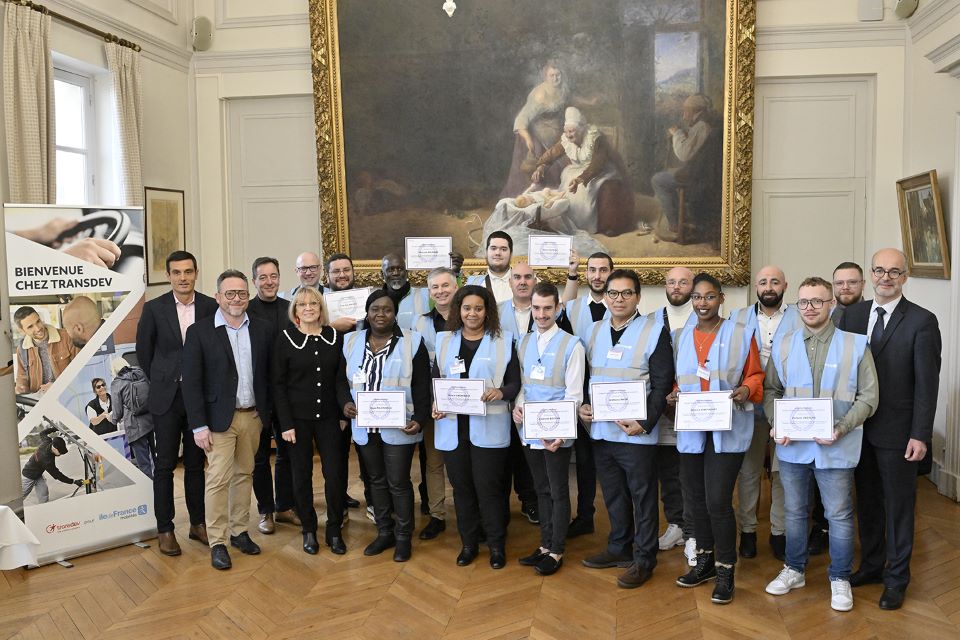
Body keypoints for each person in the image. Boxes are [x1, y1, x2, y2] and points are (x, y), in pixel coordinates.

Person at [763, 277, 879, 612]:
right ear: (796, 306)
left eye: (817, 301)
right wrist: (776, 424)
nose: (810, 308)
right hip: (793, 446)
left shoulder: (855, 345)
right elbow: (771, 392)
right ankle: (794, 569)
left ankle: (840, 577)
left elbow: (869, 397)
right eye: (804, 302)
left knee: (839, 515)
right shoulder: (784, 345)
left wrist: (841, 428)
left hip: (836, 444)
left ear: (831, 304)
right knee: (795, 512)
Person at [838, 248, 941, 611]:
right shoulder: (851, 314)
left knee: (899, 507)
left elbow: (928, 386)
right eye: (880, 270)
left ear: (905, 277)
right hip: (857, 428)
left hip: (899, 433)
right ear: (871, 274)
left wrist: (920, 434)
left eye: (894, 272)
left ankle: (897, 578)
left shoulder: (922, 321)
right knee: (866, 502)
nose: (886, 277)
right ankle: (871, 566)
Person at [667, 273, 764, 605]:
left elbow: (755, 374)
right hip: (693, 429)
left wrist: (745, 390)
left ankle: (726, 569)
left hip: (729, 427)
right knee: (694, 501)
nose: (702, 303)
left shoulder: (740, 333)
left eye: (709, 297)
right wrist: (675, 394)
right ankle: (705, 563)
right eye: (697, 297)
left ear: (721, 299)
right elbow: (683, 379)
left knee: (718, 502)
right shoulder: (681, 336)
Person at [579, 269, 674, 589]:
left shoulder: (654, 330)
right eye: (613, 293)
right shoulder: (592, 332)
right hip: (602, 432)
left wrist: (646, 423)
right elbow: (585, 378)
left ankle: (644, 558)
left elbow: (661, 385)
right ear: (605, 296)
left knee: (642, 496)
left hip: (637, 434)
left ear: (638, 297)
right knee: (615, 495)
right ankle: (619, 547)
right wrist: (583, 406)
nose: (619, 299)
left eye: (626, 293)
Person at [181, 269, 273, 571]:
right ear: (218, 297)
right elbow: (191, 382)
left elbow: (269, 375)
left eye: (242, 293)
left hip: (252, 417)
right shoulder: (200, 332)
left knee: (245, 475)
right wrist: (198, 425)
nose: (237, 298)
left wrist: (266, 408)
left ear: (248, 296)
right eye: (230, 293)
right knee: (218, 481)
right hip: (217, 421)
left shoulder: (261, 328)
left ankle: (239, 532)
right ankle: (218, 541)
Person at [431, 285, 521, 569]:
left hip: (489, 426)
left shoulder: (504, 341)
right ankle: (468, 544)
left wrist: (501, 393)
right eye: (467, 308)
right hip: (453, 428)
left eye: (478, 308)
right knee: (462, 490)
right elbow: (437, 380)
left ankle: (496, 546)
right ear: (459, 310)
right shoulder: (444, 340)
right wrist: (435, 403)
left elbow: (515, 383)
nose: (472, 313)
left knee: (489, 489)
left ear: (488, 311)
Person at [136, 250, 218, 556]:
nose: (183, 278)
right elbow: (145, 354)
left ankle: (198, 524)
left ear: (196, 273)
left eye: (188, 272)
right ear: (169, 275)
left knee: (197, 465)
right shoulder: (154, 309)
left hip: (199, 400)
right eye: (176, 272)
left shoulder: (211, 306)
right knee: (166, 465)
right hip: (166, 399)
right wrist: (164, 378)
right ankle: (165, 528)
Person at [341, 290, 432, 562]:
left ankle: (404, 537)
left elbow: (422, 385)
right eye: (375, 309)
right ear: (367, 313)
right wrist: (345, 403)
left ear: (395, 314)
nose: (381, 314)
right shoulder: (350, 341)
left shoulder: (413, 342)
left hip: (399, 427)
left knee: (398, 483)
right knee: (376, 481)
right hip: (364, 427)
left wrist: (420, 419)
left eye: (387, 310)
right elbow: (338, 380)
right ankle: (384, 532)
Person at [728, 265, 800, 561]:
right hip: (750, 404)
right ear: (755, 287)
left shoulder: (801, 315)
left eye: (774, 282)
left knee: (783, 472)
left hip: (788, 404)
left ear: (785, 285)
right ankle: (747, 530)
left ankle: (779, 532)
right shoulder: (738, 317)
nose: (768, 287)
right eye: (762, 282)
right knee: (749, 471)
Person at [513, 283, 585, 576]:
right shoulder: (524, 342)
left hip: (557, 432)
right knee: (540, 489)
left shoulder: (572, 344)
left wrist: (562, 434)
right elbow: (523, 384)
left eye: (547, 308)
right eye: (537, 308)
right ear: (531, 308)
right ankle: (544, 544)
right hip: (529, 429)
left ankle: (556, 550)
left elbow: (574, 394)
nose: (541, 314)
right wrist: (516, 406)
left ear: (558, 309)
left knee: (557, 490)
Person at [273, 286, 351, 555]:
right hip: (297, 421)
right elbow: (279, 385)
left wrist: (343, 414)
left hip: (330, 418)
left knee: (335, 473)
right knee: (301, 475)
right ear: (295, 310)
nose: (308, 308)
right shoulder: (286, 339)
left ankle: (334, 528)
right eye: (302, 304)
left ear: (321, 308)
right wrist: (285, 424)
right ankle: (308, 528)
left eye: (313, 304)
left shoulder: (334, 337)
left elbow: (340, 379)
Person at [560, 250, 614, 538]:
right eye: (592, 270)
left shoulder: (622, 305)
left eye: (603, 270)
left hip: (611, 394)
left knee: (609, 460)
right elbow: (559, 313)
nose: (597, 276)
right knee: (583, 461)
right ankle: (584, 515)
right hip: (580, 392)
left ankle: (618, 521)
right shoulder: (574, 307)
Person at [246, 257, 300, 535]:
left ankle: (285, 506)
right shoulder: (247, 310)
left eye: (273, 276)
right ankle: (265, 510)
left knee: (287, 453)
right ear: (254, 280)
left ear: (280, 278)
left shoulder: (290, 309)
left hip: (287, 395)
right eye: (263, 277)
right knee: (258, 458)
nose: (269, 281)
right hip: (257, 396)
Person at [649, 266, 698, 566]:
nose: (677, 287)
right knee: (667, 471)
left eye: (683, 282)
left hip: (694, 409)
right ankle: (676, 525)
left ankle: (693, 532)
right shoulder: (651, 320)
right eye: (671, 282)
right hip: (662, 407)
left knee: (691, 473)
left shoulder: (706, 317)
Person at [531, 107, 637, 236]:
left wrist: (581, 179)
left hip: (600, 171)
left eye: (572, 131)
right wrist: (541, 165)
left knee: (589, 188)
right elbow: (552, 153)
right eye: (567, 132)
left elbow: (597, 163)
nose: (569, 135)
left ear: (581, 130)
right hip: (576, 171)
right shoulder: (566, 139)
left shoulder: (595, 137)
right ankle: (574, 224)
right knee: (569, 187)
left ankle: (598, 225)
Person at [414, 267, 459, 540]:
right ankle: (437, 515)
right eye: (435, 287)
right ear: (429, 292)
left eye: (445, 286)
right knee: (433, 462)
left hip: (462, 402)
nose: (441, 291)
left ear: (455, 287)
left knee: (461, 461)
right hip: (432, 403)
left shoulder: (469, 317)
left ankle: (469, 510)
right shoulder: (420, 323)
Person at [499, 261, 541, 525]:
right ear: (510, 282)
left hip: (536, 392)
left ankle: (530, 501)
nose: (523, 281)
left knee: (530, 452)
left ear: (535, 280)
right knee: (504, 451)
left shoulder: (547, 310)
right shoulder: (497, 311)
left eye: (528, 277)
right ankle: (500, 505)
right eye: (517, 277)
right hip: (503, 390)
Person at [500, 61, 571, 199]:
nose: (556, 78)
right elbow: (521, 119)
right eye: (552, 75)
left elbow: (568, 99)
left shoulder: (562, 88)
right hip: (539, 137)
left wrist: (589, 102)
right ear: (545, 77)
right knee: (540, 174)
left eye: (558, 75)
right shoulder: (540, 95)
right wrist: (527, 138)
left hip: (556, 135)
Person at [652, 94, 715, 237]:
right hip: (699, 172)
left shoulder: (702, 126)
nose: (684, 116)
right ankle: (680, 218)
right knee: (668, 175)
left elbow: (684, 154)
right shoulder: (703, 124)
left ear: (695, 111)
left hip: (699, 177)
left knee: (658, 180)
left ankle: (675, 224)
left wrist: (677, 133)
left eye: (686, 112)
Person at [13, 306, 79, 394]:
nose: (38, 328)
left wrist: (57, 386)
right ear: (22, 331)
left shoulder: (67, 337)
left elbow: (81, 370)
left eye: (38, 321)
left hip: (67, 396)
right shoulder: (22, 349)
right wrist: (21, 390)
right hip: (38, 402)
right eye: (30, 327)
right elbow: (22, 378)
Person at [109, 356, 155, 479]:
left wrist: (112, 419)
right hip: (151, 421)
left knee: (144, 464)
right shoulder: (140, 372)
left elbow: (117, 412)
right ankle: (163, 490)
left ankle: (151, 492)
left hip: (134, 426)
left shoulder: (117, 383)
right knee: (157, 459)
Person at [21, 430, 85, 502]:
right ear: (54, 448)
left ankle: (44, 508)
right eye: (60, 452)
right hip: (28, 476)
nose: (60, 454)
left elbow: (42, 433)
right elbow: (58, 475)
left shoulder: (47, 441)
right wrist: (74, 481)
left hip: (38, 475)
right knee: (21, 496)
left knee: (44, 493)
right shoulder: (47, 460)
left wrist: (53, 428)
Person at [381, 253, 432, 331]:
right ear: (382, 274)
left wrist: (455, 274)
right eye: (391, 270)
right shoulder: (373, 300)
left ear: (407, 273)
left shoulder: (426, 295)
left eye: (400, 269)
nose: (396, 273)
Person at [466, 231, 514, 303]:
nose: (497, 253)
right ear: (486, 252)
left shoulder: (526, 281)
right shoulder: (473, 283)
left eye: (503, 249)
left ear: (511, 254)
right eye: (493, 248)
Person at [830, 261, 865, 329]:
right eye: (839, 283)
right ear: (833, 285)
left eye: (852, 282)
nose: (845, 287)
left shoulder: (876, 317)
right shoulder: (824, 318)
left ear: (863, 284)